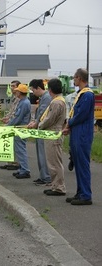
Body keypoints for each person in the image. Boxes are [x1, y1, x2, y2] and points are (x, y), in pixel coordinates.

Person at [62, 68, 94, 205]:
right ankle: (80, 192)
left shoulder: (87, 95)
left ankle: (86, 195)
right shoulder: (81, 94)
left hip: (82, 133)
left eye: (74, 78)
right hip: (77, 132)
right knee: (78, 164)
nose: (73, 80)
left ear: (80, 78)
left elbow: (81, 114)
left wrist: (69, 123)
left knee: (82, 164)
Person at [38, 78, 67, 196]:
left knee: (54, 162)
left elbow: (50, 119)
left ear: (50, 89)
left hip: (53, 133)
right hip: (54, 132)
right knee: (53, 161)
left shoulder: (56, 102)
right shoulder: (60, 100)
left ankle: (59, 187)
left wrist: (40, 125)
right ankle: (55, 185)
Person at [27, 79, 52, 185]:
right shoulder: (44, 97)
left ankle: (46, 176)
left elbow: (42, 113)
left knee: (42, 153)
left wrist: (35, 123)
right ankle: (43, 176)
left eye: (33, 90)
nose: (33, 92)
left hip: (43, 129)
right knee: (40, 152)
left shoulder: (46, 98)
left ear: (38, 88)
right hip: (40, 128)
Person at [7, 84, 32, 179]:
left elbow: (18, 117)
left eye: (17, 91)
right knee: (18, 149)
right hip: (19, 128)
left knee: (21, 150)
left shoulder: (24, 103)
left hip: (20, 128)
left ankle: (25, 170)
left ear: (20, 93)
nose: (15, 92)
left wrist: (8, 126)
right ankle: (22, 169)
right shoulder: (23, 101)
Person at [0, 80, 21, 170]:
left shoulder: (20, 99)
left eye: (14, 86)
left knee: (16, 145)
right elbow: (11, 111)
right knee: (9, 144)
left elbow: (16, 114)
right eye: (11, 86)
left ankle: (15, 163)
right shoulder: (14, 98)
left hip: (16, 125)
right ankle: (9, 161)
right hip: (10, 123)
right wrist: (6, 117)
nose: (12, 88)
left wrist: (9, 120)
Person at [64, 89, 78, 171]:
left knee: (83, 145)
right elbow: (67, 111)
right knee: (72, 144)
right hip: (72, 123)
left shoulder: (88, 96)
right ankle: (72, 158)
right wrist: (68, 123)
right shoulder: (69, 98)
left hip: (83, 124)